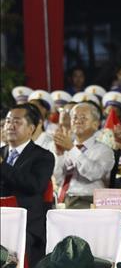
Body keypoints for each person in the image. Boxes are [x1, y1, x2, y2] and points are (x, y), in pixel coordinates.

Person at [1, 104, 55, 267]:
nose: (10, 125)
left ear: (31, 128)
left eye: (17, 122)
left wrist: (3, 166)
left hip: (27, 225)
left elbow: (34, 186)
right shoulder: (1, 152)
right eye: (8, 121)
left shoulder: (43, 156)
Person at [53, 101, 115, 208]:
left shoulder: (104, 150)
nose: (78, 121)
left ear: (95, 125)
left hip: (88, 200)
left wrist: (72, 149)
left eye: (83, 118)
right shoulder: (67, 145)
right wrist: (59, 155)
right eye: (75, 117)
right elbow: (58, 179)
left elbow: (94, 174)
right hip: (63, 199)